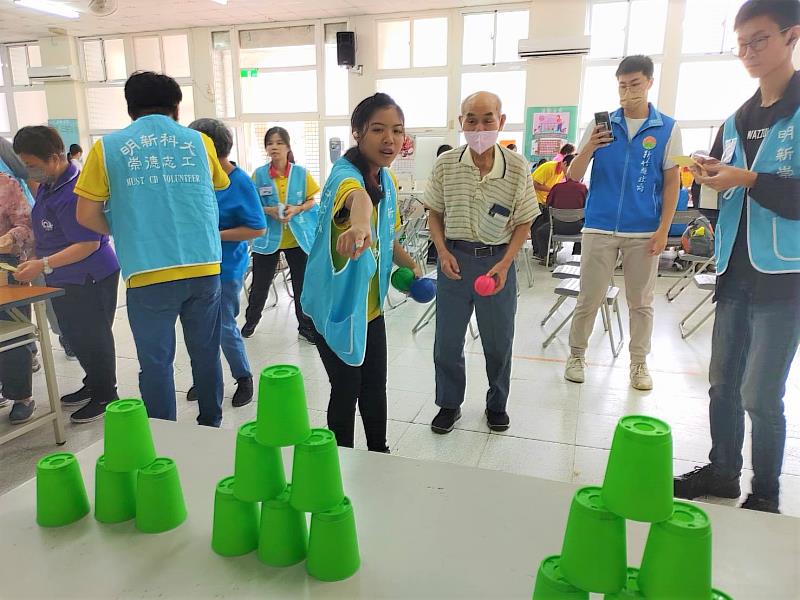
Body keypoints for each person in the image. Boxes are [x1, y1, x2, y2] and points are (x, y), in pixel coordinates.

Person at [674, 0, 800, 514]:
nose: (747, 52)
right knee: (722, 383)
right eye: (741, 42)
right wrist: (707, 175)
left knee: (760, 394)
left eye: (759, 40)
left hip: (783, 276)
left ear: (791, 36)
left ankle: (765, 492)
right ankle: (723, 471)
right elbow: (721, 191)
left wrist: (745, 179)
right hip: (734, 269)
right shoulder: (734, 121)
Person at [75, 71, 230, 427]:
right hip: (203, 265)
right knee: (205, 353)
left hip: (147, 271)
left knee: (156, 362)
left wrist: (125, 230)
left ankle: (163, 433)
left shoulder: (108, 148)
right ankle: (211, 425)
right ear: (177, 108)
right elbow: (218, 185)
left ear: (130, 109)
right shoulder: (199, 142)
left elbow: (85, 214)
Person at [301, 93, 420, 453]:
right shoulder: (344, 176)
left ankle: (379, 452)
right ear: (357, 133)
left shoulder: (387, 180)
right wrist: (357, 225)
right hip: (333, 308)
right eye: (379, 130)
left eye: (397, 131)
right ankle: (340, 460)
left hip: (369, 309)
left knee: (374, 385)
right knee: (347, 387)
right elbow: (359, 200)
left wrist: (409, 263)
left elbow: (386, 237)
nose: (390, 139)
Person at [564, 55, 682, 391]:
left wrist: (663, 229)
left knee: (641, 302)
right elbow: (572, 175)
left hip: (643, 230)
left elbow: (672, 183)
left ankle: (639, 363)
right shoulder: (602, 125)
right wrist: (589, 145)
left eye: (634, 84)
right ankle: (576, 354)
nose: (627, 91)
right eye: (622, 85)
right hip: (599, 226)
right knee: (589, 297)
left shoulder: (668, 128)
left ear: (649, 83)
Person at [425, 91, 538, 434]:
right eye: (471, 119)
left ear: (501, 121)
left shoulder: (518, 167)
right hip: (454, 262)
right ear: (461, 124)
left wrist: (505, 263)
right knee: (447, 340)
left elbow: (525, 221)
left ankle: (497, 403)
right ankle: (448, 403)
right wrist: (442, 252)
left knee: (498, 341)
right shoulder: (446, 165)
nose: (479, 126)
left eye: (488, 118)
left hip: (496, 263)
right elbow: (434, 212)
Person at [13, 126, 120, 423]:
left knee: (93, 335)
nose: (29, 171)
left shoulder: (75, 189)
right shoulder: (50, 185)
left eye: (33, 165)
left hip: (91, 274)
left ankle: (106, 394)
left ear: (55, 157)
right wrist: (35, 257)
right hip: (62, 275)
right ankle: (92, 383)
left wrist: (43, 264)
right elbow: (49, 232)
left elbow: (87, 243)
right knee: (74, 334)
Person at [188, 118, 266, 408]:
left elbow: (257, 228)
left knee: (222, 326)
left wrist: (214, 235)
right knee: (196, 328)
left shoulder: (240, 182)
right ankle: (207, 378)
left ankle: (243, 376)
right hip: (194, 266)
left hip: (225, 269)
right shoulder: (194, 179)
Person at [242, 127, 319, 343]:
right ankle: (251, 321)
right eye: (270, 143)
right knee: (260, 284)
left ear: (288, 146)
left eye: (278, 143)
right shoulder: (259, 174)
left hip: (297, 238)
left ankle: (305, 326)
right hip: (267, 238)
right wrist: (270, 211)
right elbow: (252, 203)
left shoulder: (301, 173)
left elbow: (312, 200)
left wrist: (297, 209)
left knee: (302, 286)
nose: (273, 147)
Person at [0, 138, 73, 362]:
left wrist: (39, 212)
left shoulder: (6, 170)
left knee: (40, 288)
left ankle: (59, 338)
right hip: (26, 235)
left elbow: (31, 177)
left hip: (19, 241)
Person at [0, 158, 35, 423]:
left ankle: (22, 396)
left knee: (14, 335)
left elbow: (27, 225)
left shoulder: (6, 184)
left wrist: (11, 237)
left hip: (7, 268)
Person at [532, 153, 587, 260]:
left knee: (540, 230)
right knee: (586, 231)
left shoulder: (557, 187)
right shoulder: (583, 188)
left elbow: (549, 204)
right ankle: (576, 256)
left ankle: (544, 256)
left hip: (557, 227)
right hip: (578, 228)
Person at [530, 144, 574, 257]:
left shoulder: (561, 173)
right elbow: (534, 184)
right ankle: (538, 252)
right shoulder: (549, 167)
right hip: (535, 199)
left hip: (546, 201)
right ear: (564, 163)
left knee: (546, 225)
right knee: (537, 226)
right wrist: (554, 190)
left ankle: (545, 251)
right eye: (569, 168)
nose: (569, 171)